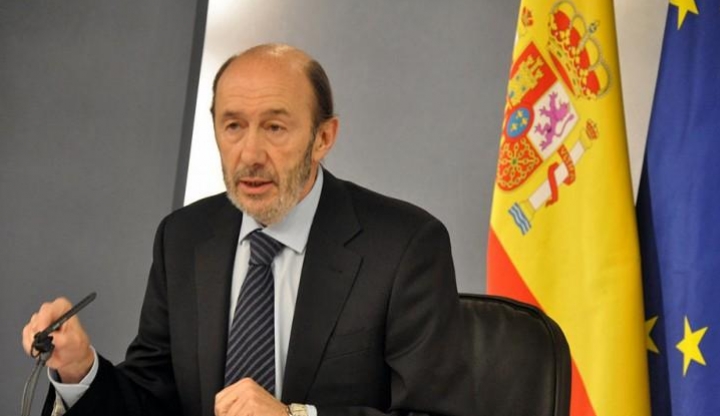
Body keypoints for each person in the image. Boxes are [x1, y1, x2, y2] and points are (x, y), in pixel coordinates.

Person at [21, 44, 470, 416]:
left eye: (275, 127)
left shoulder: (406, 245)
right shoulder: (184, 238)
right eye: (233, 126)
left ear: (323, 138)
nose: (250, 153)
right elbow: (150, 400)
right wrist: (81, 371)